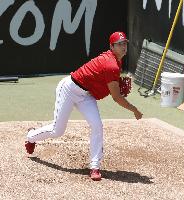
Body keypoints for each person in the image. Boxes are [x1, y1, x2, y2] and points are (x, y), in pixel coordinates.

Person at [25, 31, 143, 181]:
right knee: (57, 130)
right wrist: (135, 110)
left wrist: (116, 83)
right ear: (111, 47)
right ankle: (30, 136)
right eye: (119, 44)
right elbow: (116, 97)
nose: (123, 47)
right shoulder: (111, 64)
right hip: (68, 90)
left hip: (86, 95)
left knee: (97, 125)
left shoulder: (115, 60)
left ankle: (95, 166)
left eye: (125, 43)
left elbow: (102, 80)